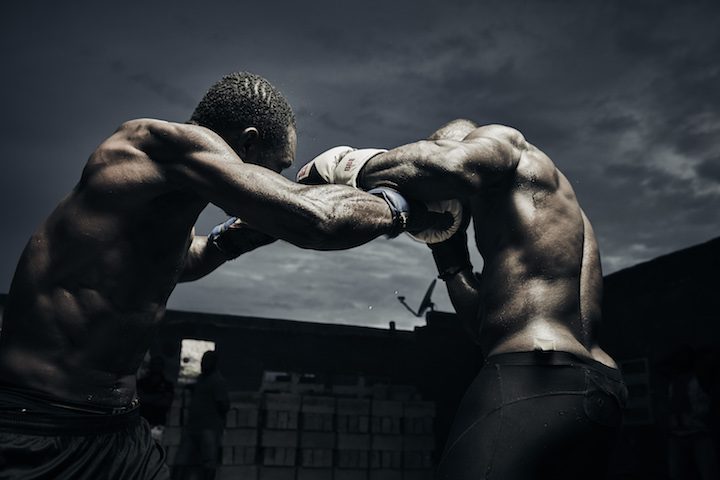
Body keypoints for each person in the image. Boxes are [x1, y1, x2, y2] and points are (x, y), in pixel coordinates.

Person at [0, 72, 447, 480]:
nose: (279, 178)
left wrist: (247, 231)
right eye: (279, 166)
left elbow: (188, 259)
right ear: (248, 145)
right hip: (37, 423)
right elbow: (319, 221)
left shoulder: (172, 190)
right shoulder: (153, 145)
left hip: (119, 429)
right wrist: (397, 204)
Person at [298, 119, 628, 479]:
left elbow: (451, 167)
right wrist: (449, 254)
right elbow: (487, 330)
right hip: (597, 387)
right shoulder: (543, 215)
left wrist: (349, 165)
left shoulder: (506, 144)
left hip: (533, 378)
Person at [173, 351, 229, 480]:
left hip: (208, 427)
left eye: (207, 361)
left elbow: (224, 405)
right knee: (181, 458)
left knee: (208, 460)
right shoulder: (201, 378)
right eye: (203, 361)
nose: (203, 364)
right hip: (193, 426)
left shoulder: (217, 381)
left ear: (214, 363)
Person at [137, 355, 175, 442]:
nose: (156, 366)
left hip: (158, 423)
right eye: (154, 364)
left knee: (154, 448)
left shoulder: (167, 385)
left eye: (158, 364)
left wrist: (148, 398)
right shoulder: (142, 382)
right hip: (140, 423)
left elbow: (166, 403)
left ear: (162, 366)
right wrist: (160, 396)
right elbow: (140, 399)